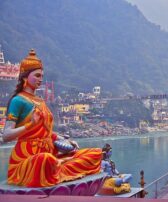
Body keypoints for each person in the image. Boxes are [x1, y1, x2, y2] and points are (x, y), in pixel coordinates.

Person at [2, 49, 102, 187]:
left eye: (42, 76)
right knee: (46, 160)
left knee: (95, 153)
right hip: (28, 160)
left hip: (50, 152)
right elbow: (6, 135)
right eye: (37, 75)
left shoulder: (40, 101)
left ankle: (59, 167)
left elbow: (47, 132)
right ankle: (57, 167)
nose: (40, 79)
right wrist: (29, 125)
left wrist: (65, 140)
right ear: (25, 77)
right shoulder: (18, 100)